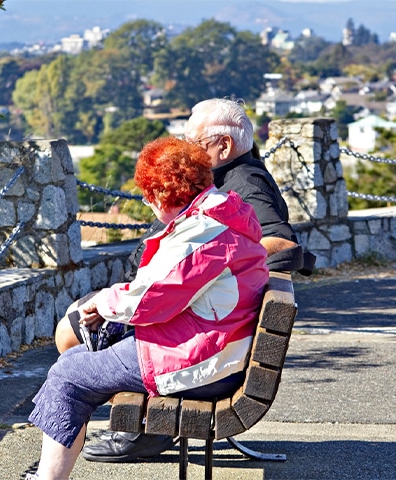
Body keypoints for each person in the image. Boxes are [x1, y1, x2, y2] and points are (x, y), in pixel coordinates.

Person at [77, 98, 314, 463]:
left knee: (72, 331)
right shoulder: (224, 178)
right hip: (175, 313)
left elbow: (280, 240)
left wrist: (214, 271)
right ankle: (137, 425)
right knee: (80, 325)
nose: (187, 150)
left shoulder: (245, 181)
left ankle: (139, 429)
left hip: (193, 337)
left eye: (195, 142)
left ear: (224, 146)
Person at [25, 136, 269, 480]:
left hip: (203, 364)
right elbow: (167, 287)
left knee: (68, 375)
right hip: (217, 348)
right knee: (73, 362)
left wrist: (103, 301)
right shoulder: (224, 214)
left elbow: (148, 300)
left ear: (162, 194)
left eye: (148, 193)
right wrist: (113, 302)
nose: (145, 200)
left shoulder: (203, 232)